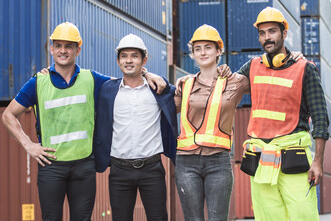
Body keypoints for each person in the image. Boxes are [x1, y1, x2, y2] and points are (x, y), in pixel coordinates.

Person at [1, 23, 166, 220]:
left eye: (69, 46)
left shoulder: (91, 79)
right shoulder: (38, 82)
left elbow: (127, 80)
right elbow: (8, 115)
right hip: (52, 166)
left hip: (84, 167)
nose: (63, 51)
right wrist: (29, 146)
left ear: (78, 49)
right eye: (58, 45)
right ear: (51, 48)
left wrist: (147, 73)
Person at [238, 7, 329, 220]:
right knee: (267, 216)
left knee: (302, 215)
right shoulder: (251, 67)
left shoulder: (305, 68)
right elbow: (223, 87)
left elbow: (321, 119)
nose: (267, 37)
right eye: (262, 33)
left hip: (294, 161)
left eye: (272, 31)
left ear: (284, 33)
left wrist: (318, 162)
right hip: (261, 162)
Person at [93, 34, 178, 221]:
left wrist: (148, 74)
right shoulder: (106, 90)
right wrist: (47, 72)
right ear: (118, 61)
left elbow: (185, 90)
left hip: (152, 169)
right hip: (119, 171)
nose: (129, 60)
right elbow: (78, 77)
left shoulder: (159, 89)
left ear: (144, 60)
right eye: (124, 56)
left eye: (134, 55)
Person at [174, 24, 250, 220]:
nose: (202, 52)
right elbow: (160, 105)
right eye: (197, 49)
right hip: (186, 162)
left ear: (218, 50)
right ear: (192, 54)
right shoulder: (184, 84)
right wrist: (148, 75)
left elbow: (264, 76)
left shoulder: (236, 81)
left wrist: (293, 59)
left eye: (208, 47)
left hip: (218, 161)